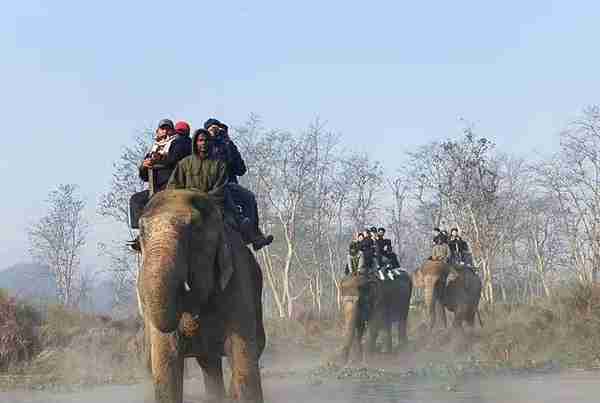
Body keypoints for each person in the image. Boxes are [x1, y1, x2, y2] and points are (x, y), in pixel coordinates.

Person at [202, 118, 273, 251]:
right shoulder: (203, 145)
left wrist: (228, 143)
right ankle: (241, 221)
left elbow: (241, 169)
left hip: (229, 184)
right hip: (211, 185)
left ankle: (254, 235)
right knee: (226, 193)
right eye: (212, 129)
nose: (216, 131)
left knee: (249, 197)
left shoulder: (227, 144)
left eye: (218, 129)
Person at [127, 119, 192, 251]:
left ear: (173, 131)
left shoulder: (178, 143)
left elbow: (175, 158)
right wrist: (143, 167)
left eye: (168, 128)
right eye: (163, 128)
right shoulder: (153, 148)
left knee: (154, 201)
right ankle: (142, 231)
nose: (165, 131)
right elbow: (144, 177)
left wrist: (159, 158)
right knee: (136, 200)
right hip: (154, 187)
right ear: (157, 131)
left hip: (173, 185)